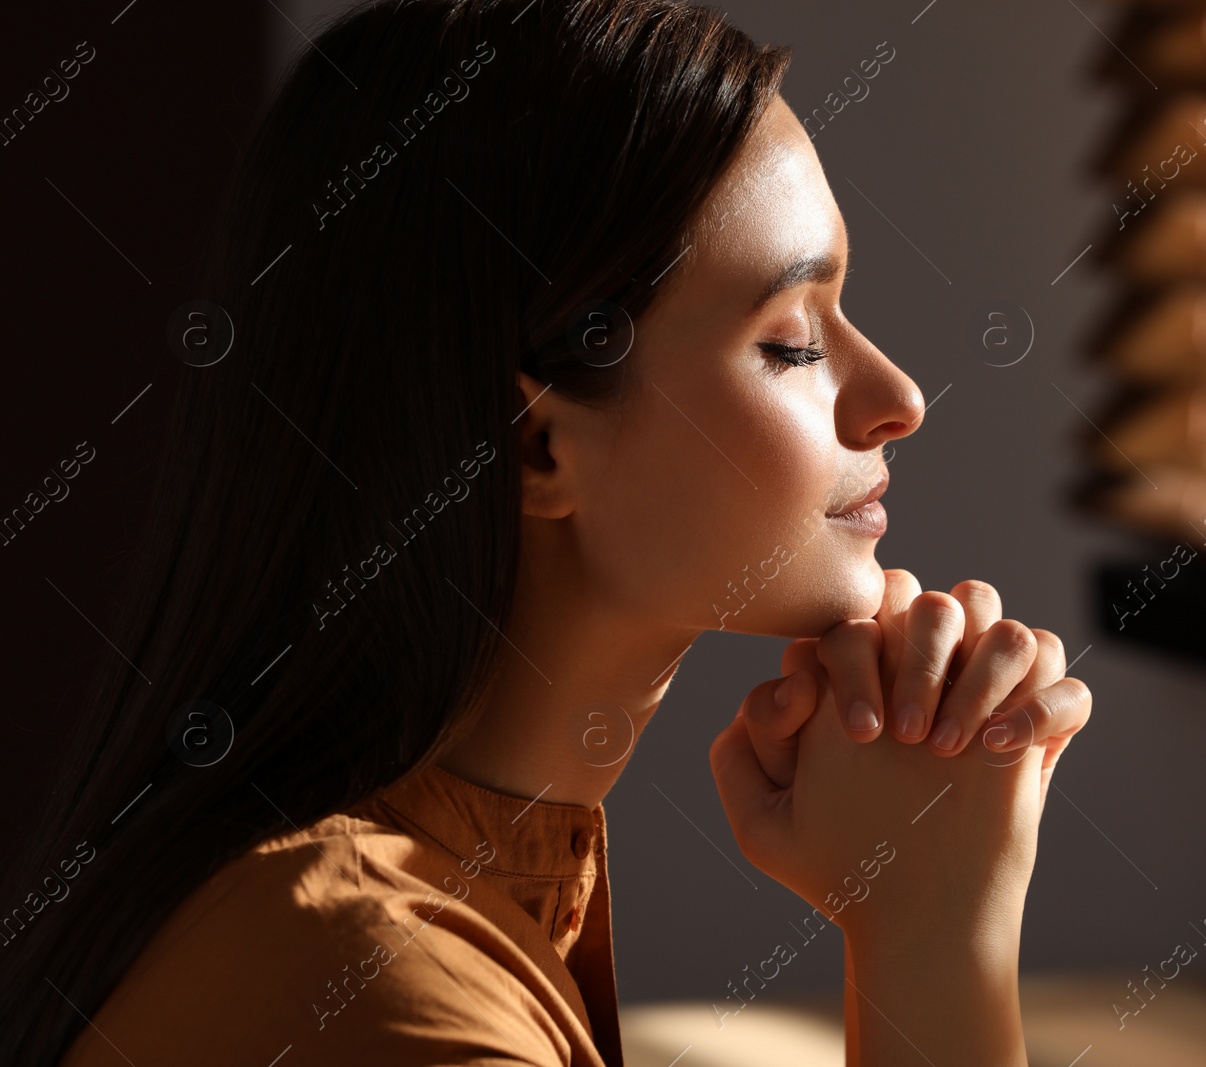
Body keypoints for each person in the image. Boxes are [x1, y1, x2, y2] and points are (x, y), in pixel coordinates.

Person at [0, 1, 1090, 1063]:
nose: (899, 396)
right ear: (537, 450)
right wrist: (933, 938)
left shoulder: (412, 913)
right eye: (794, 342)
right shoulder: (376, 996)